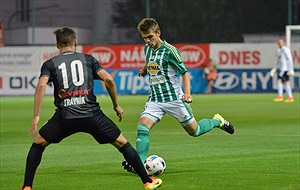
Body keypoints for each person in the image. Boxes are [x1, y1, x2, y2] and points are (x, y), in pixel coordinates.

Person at [20, 27, 162, 190]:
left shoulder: (50, 64)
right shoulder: (88, 59)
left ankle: (27, 187)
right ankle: (147, 182)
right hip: (92, 116)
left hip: (65, 117)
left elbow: (41, 85)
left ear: (57, 45)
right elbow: (108, 79)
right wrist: (116, 105)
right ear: (75, 42)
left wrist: (36, 116)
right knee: (122, 143)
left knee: (38, 144)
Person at [122, 18, 234, 173]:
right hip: (155, 99)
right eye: (144, 38)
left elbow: (184, 73)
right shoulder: (147, 49)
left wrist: (187, 93)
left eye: (150, 37)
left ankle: (217, 121)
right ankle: (139, 164)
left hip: (175, 99)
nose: (147, 41)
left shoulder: (170, 51)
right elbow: (151, 62)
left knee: (195, 131)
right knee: (142, 127)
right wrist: (144, 69)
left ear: (158, 33)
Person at [270, 38, 294, 103]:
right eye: (279, 42)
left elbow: (290, 59)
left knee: (282, 81)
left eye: (281, 42)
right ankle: (287, 97)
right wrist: (274, 69)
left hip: (285, 69)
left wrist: (291, 69)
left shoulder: (286, 49)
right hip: (281, 69)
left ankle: (284, 96)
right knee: (282, 82)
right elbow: (278, 61)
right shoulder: (279, 51)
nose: (280, 43)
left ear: (283, 43)